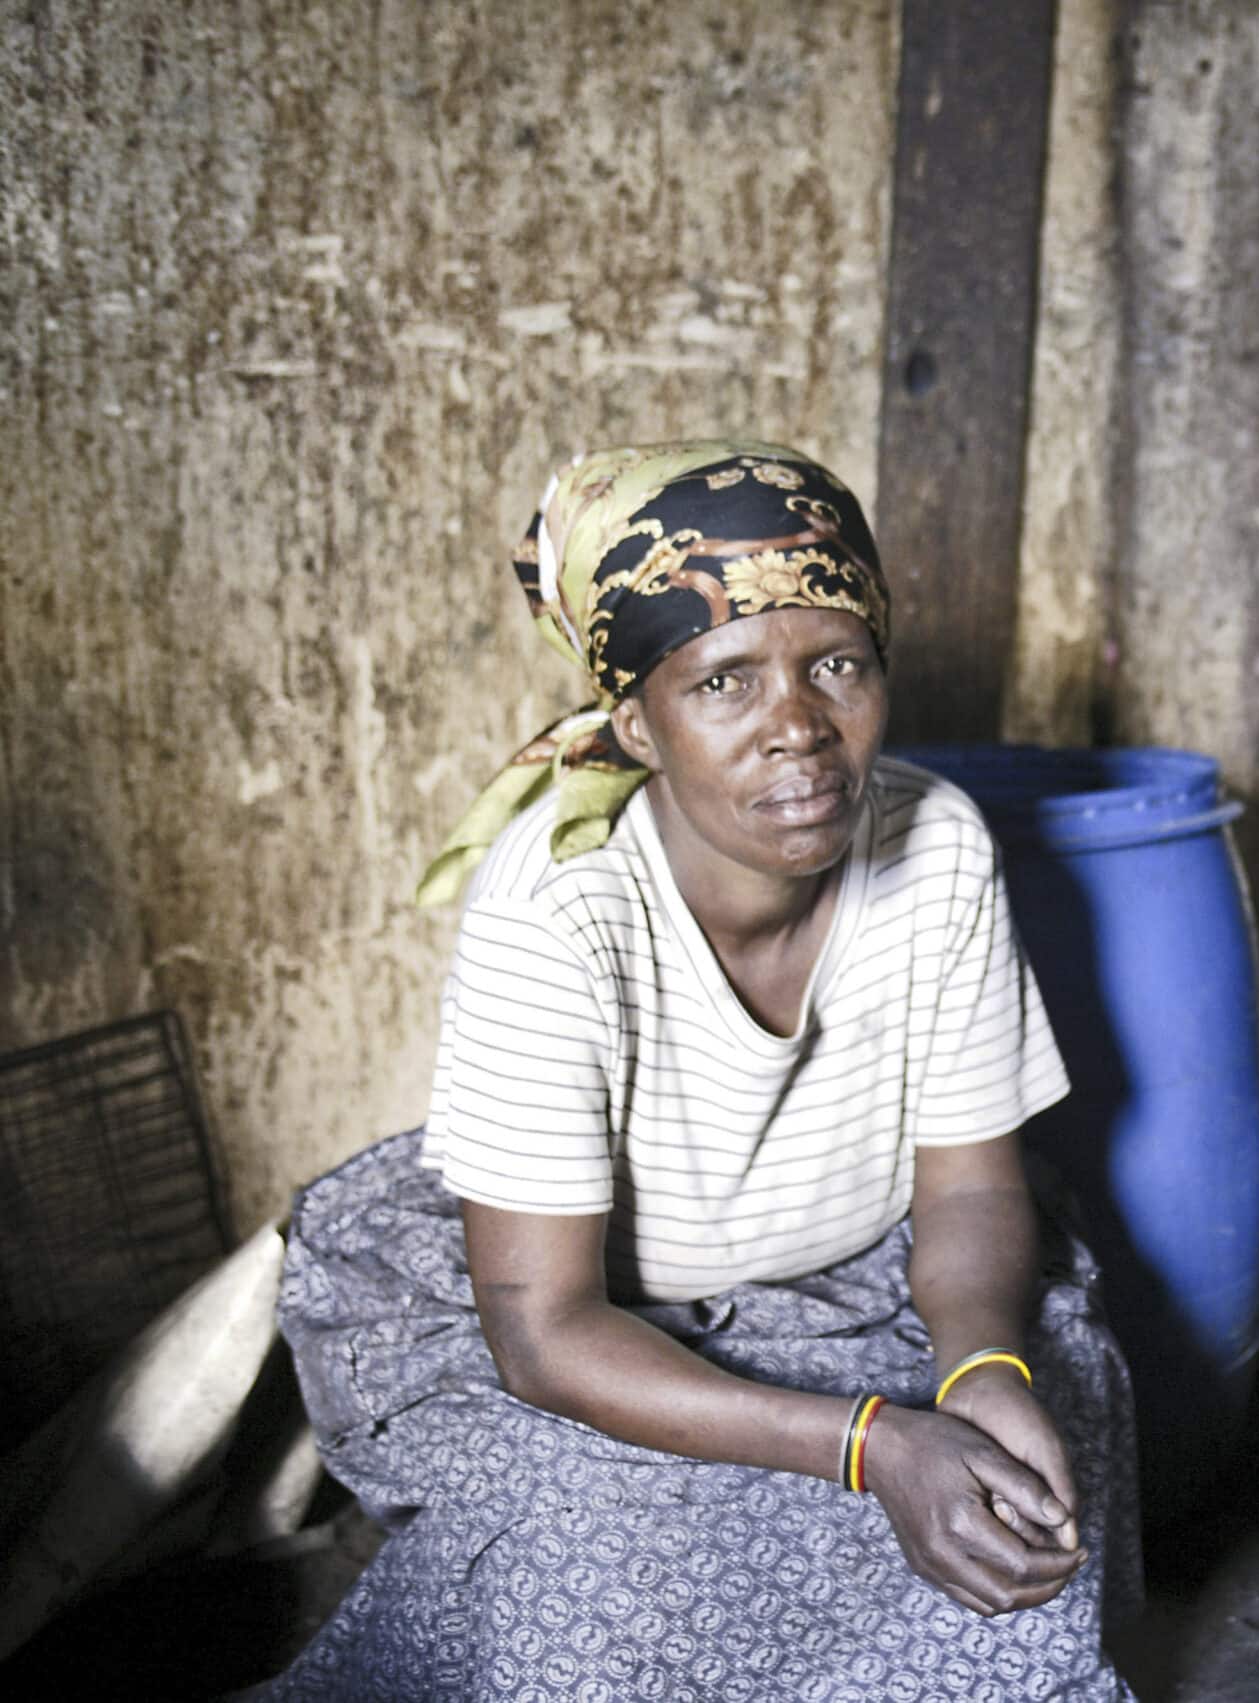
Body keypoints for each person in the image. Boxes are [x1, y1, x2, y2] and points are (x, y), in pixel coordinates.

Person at [258, 442, 1139, 1701]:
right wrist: (871, 1441)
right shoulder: (560, 907)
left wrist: (976, 1370)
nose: (796, 725)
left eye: (835, 663)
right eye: (723, 680)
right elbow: (547, 1331)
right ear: (638, 721)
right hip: (579, 1318)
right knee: (599, 1547)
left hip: (854, 1283)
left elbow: (968, 1193)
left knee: (1037, 1449)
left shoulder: (934, 843)